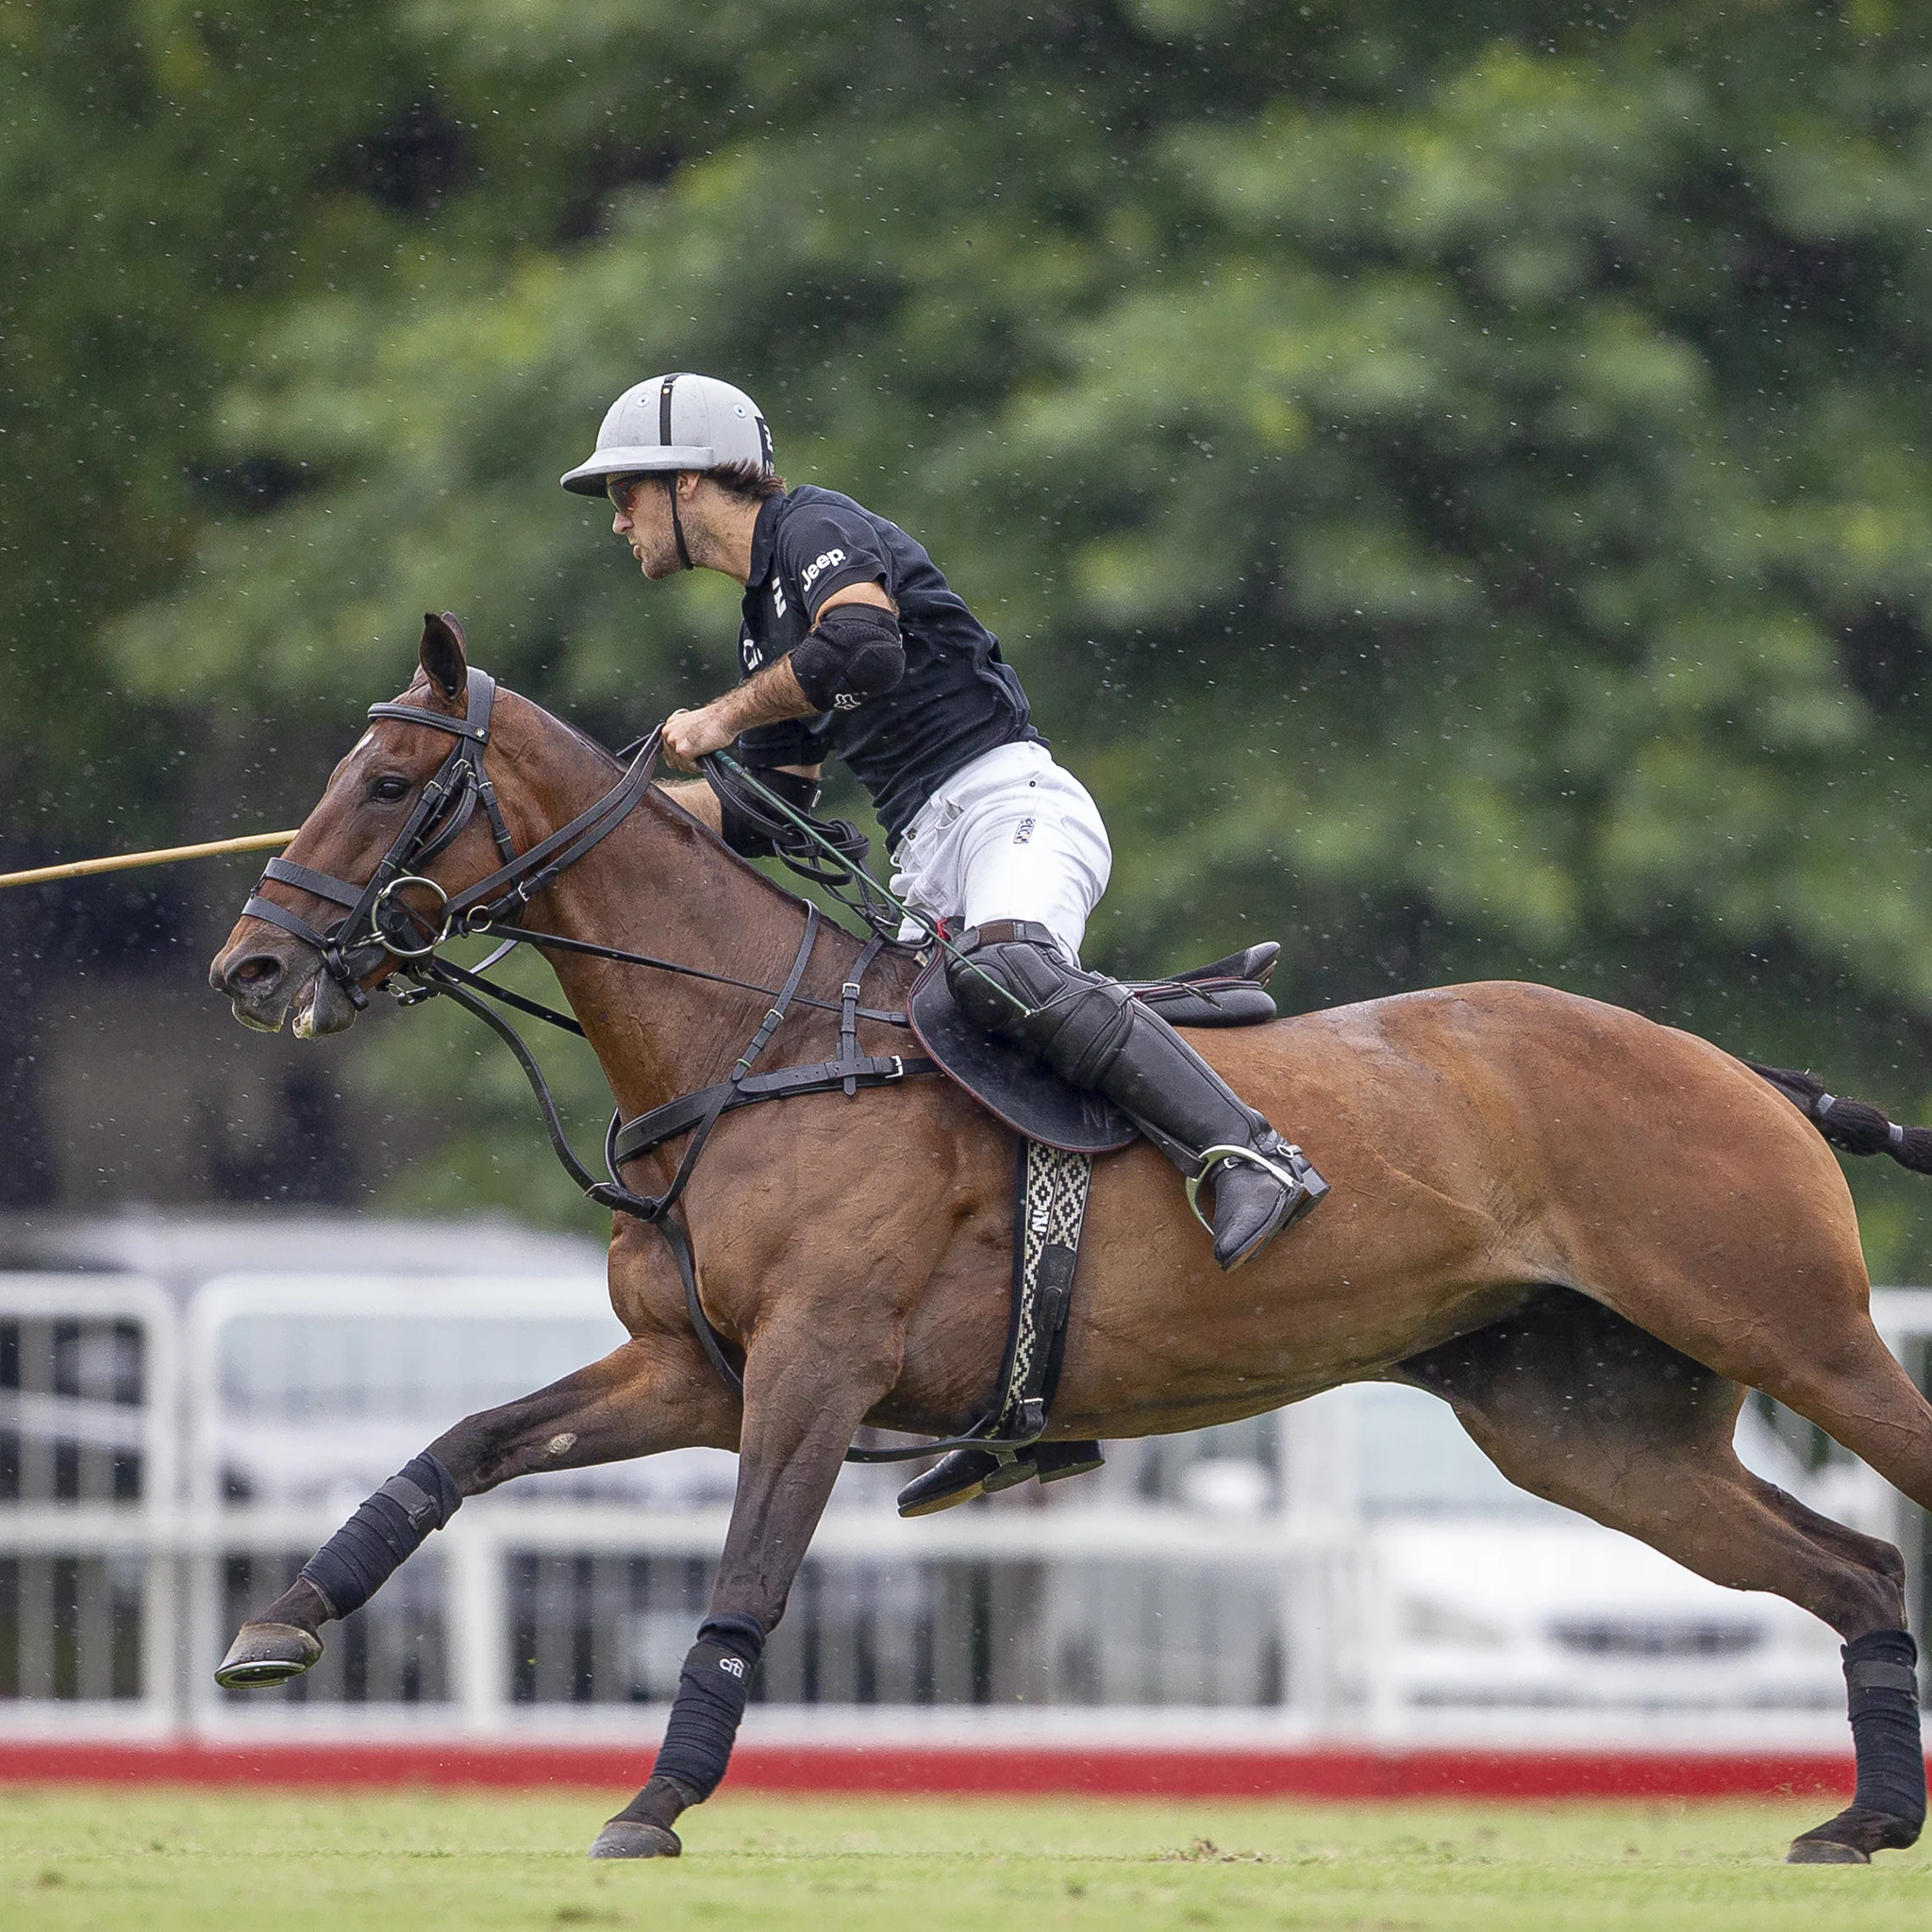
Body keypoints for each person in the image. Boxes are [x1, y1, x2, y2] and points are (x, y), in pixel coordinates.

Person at [560, 372, 1327, 1270]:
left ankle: (1251, 1156)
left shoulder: (814, 525)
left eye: (626, 492)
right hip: (926, 861)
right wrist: (614, 817)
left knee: (1006, 967)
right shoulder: (761, 625)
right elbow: (765, 810)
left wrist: (724, 716)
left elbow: (863, 647)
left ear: (687, 479)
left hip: (1011, 807)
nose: (619, 519)